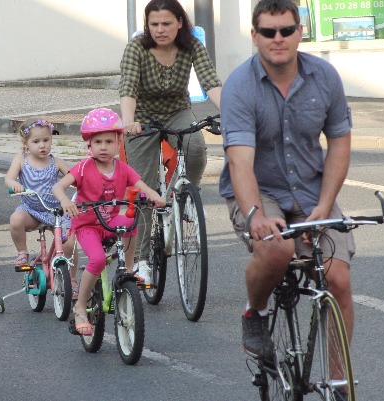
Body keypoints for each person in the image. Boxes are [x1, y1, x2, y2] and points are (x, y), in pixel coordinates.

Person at [219, 0, 354, 388]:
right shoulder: (240, 86)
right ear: (254, 36)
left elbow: (340, 144)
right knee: (276, 248)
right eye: (268, 32)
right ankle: (255, 312)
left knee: (338, 280)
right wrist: (256, 216)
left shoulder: (324, 77)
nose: (277, 38)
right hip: (260, 190)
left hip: (312, 191)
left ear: (299, 32)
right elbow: (240, 161)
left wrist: (324, 206)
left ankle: (339, 384)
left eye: (286, 30)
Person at [118, 0, 222, 283]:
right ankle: (141, 261)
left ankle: (182, 197)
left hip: (177, 111)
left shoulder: (192, 46)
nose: (160, 30)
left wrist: (232, 115)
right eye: (154, 24)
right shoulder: (137, 47)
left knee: (195, 146)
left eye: (166, 23)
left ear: (179, 23)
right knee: (142, 188)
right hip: (142, 117)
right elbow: (128, 88)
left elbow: (211, 82)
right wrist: (128, 120)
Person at [52, 108, 165, 336]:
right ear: (89, 144)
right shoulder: (83, 168)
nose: (103, 147)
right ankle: (80, 307)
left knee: (131, 223)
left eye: (108, 142)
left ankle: (129, 269)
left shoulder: (122, 168)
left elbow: (141, 185)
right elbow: (58, 187)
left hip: (111, 220)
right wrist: (65, 200)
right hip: (87, 226)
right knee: (98, 260)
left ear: (118, 143)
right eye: (97, 142)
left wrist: (154, 196)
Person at [5, 118, 77, 288]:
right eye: (36, 141)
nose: (42, 145)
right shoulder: (21, 160)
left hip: (55, 212)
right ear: (26, 144)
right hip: (31, 211)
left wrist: (80, 182)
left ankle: (72, 279)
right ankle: (22, 252)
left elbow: (74, 176)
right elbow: (8, 178)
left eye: (46, 140)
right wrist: (14, 185)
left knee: (70, 243)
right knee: (16, 220)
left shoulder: (56, 162)